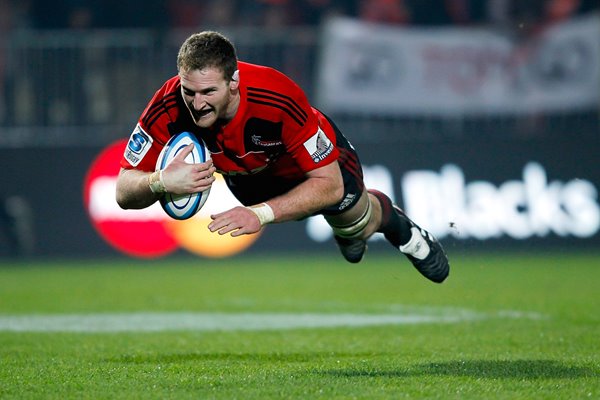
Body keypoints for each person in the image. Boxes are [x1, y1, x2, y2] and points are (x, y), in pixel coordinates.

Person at [115, 31, 449, 283]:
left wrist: (258, 216)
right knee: (344, 227)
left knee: (355, 223)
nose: (197, 103)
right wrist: (160, 181)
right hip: (247, 178)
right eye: (190, 91)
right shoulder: (168, 104)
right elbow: (123, 192)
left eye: (208, 92)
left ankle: (396, 224)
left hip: (309, 169)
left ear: (234, 82)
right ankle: (347, 232)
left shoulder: (276, 96)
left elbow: (329, 186)